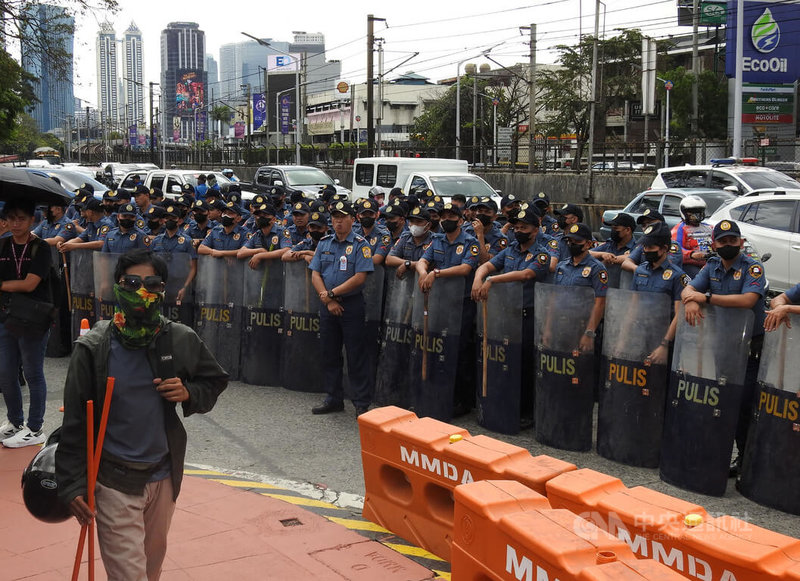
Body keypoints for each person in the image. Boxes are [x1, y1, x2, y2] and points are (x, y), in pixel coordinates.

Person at [55, 249, 228, 580]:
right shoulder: (92, 348)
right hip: (113, 482)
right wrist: (71, 484)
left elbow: (214, 380)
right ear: (117, 286)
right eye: (131, 283)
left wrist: (189, 392)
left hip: (163, 478)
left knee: (150, 571)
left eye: (151, 284)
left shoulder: (179, 338)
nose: (141, 292)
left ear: (163, 289)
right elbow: (76, 422)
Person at [681, 219, 766, 475]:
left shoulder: (752, 268)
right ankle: (724, 454)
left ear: (740, 242)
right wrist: (690, 302)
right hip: (724, 346)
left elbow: (747, 300)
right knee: (722, 401)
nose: (728, 245)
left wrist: (704, 297)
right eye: (723, 241)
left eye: (732, 241)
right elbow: (688, 289)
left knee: (744, 405)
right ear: (715, 244)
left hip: (751, 347)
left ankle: (747, 461)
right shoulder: (712, 265)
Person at [471, 207, 551, 427]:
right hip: (505, 315)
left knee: (523, 366)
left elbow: (526, 274)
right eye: (516, 227)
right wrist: (479, 277)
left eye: (524, 228)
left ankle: (526, 412)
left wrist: (492, 281)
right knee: (503, 361)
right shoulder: (511, 249)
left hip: (527, 316)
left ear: (535, 230)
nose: (518, 231)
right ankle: (503, 404)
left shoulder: (541, 254)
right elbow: (487, 264)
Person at [309, 201, 375, 416]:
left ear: (352, 219)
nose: (337, 221)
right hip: (328, 305)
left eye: (342, 217)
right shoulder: (324, 242)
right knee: (329, 353)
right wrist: (328, 300)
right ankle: (333, 398)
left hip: (351, 305)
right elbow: (315, 273)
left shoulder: (360, 244)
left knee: (356, 355)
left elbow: (360, 278)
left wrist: (333, 295)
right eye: (335, 217)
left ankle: (361, 402)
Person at [416, 202, 481, 416]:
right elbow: (422, 261)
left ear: (461, 220)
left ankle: (461, 400)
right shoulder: (437, 240)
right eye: (443, 217)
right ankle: (439, 393)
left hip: (461, 304)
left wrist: (436, 274)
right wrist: (424, 271)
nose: (446, 220)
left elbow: (465, 268)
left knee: (459, 350)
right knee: (438, 347)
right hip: (439, 301)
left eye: (452, 217)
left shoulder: (470, 242)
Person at [0, 198, 53, 447]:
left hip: (33, 319)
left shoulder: (40, 248)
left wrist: (2, 286)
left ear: (33, 220)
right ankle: (15, 421)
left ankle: (35, 427)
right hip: (6, 316)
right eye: (10, 218)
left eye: (21, 218)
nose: (15, 223)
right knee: (6, 371)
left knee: (32, 372)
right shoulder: (3, 245)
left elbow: (31, 283)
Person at [629, 222, 690, 364]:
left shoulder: (677, 276)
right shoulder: (640, 271)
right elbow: (632, 307)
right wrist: (623, 338)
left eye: (650, 247)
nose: (645, 250)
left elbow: (679, 315)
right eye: (644, 247)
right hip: (641, 335)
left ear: (664, 249)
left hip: (664, 337)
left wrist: (664, 345)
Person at [552, 223, 608, 353]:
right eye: (570, 241)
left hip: (583, 326)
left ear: (588, 244)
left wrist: (589, 333)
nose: (572, 244)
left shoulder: (597, 269)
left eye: (577, 241)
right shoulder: (561, 266)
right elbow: (554, 299)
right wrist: (549, 328)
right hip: (562, 325)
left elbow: (599, 303)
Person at [385, 206, 434, 278]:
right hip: (406, 284)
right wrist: (408, 263)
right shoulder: (405, 237)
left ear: (428, 225)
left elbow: (431, 265)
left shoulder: (434, 240)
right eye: (412, 221)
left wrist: (408, 265)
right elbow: (389, 259)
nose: (414, 225)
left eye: (419, 222)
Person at [237, 203, 288, 267]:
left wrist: (261, 256)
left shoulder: (281, 232)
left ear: (273, 219)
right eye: (259, 215)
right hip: (261, 273)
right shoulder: (257, 234)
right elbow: (240, 253)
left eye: (264, 215)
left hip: (280, 273)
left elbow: (287, 250)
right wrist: (259, 251)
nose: (260, 218)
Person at [672, 195, 712, 277]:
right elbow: (675, 250)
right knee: (701, 277)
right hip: (690, 264)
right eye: (692, 212)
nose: (696, 215)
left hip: (710, 262)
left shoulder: (709, 227)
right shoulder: (680, 228)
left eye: (699, 212)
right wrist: (691, 254)